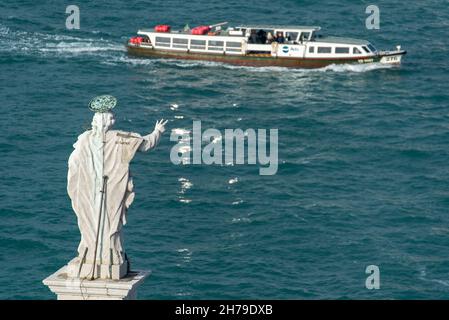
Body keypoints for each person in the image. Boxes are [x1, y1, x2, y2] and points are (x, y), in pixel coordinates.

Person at [66, 95, 168, 280]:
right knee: (110, 221)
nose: (114, 120)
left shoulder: (85, 139)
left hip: (89, 189)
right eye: (112, 118)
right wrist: (157, 132)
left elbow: (73, 164)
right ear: (105, 122)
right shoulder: (120, 138)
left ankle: (94, 255)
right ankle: (107, 255)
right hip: (111, 188)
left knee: (93, 221)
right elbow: (145, 144)